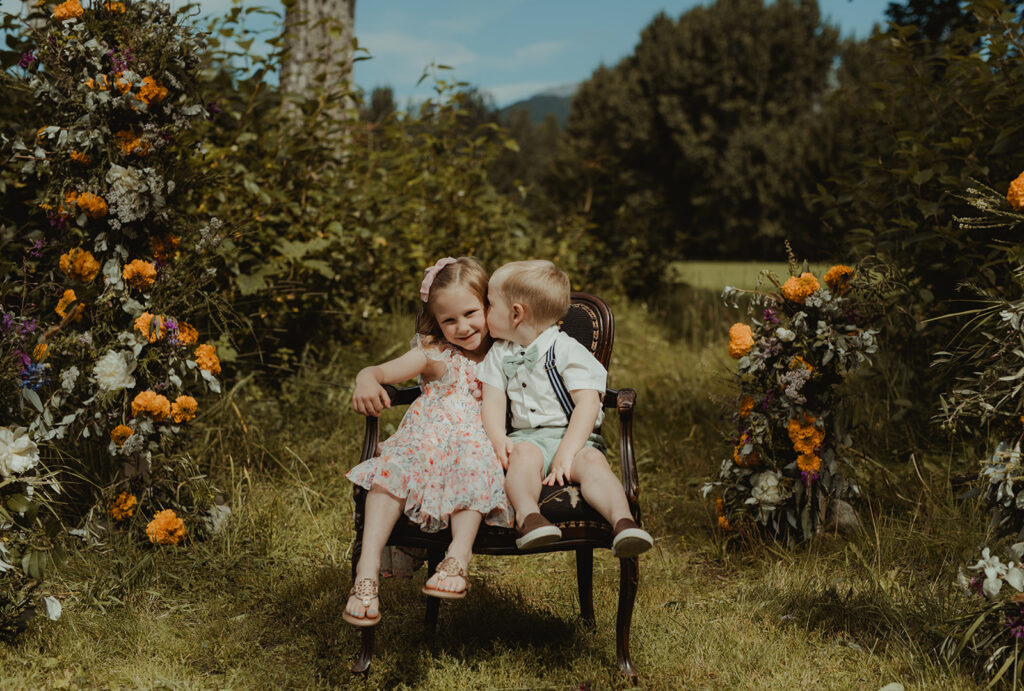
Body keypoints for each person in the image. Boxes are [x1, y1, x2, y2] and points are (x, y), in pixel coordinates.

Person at [343, 256, 513, 628]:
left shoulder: (507, 353)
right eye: (448, 320)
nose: (463, 327)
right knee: (393, 470)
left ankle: (457, 558)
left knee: (474, 464)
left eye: (470, 313)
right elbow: (379, 370)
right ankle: (366, 571)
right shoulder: (435, 353)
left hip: (477, 442)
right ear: (436, 322)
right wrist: (365, 379)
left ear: (488, 306)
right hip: (426, 442)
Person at [478, 260, 653, 557]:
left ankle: (622, 522)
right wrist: (497, 438)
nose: (485, 312)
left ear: (516, 313)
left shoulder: (565, 349)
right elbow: (492, 402)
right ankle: (528, 518)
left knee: (593, 465)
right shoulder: (498, 354)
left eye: (490, 305)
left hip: (575, 438)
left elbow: (588, 402)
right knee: (521, 458)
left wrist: (568, 452)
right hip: (527, 439)